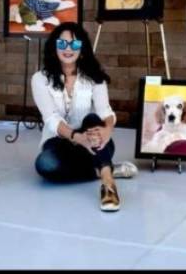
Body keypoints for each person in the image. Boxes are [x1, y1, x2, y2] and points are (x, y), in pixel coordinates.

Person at [31, 22, 137, 212]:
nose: (68, 49)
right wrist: (77, 138)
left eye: (75, 44)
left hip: (92, 138)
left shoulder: (95, 77)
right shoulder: (40, 79)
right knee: (44, 164)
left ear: (83, 48)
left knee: (93, 120)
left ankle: (107, 182)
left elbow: (105, 111)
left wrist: (107, 130)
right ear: (54, 46)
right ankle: (104, 167)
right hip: (59, 140)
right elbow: (51, 119)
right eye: (62, 44)